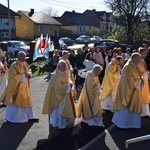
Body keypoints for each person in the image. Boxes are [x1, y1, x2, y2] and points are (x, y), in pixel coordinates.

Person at [5, 51, 39, 123]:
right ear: (18, 57)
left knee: (27, 100)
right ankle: (12, 118)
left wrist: (29, 74)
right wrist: (23, 76)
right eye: (22, 57)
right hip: (17, 88)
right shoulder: (14, 65)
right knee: (17, 103)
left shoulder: (25, 64)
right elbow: (12, 77)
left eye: (24, 57)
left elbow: (29, 70)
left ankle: (30, 116)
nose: (23, 58)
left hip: (25, 87)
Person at [112, 53, 143, 129]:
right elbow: (128, 80)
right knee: (125, 109)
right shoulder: (128, 67)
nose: (139, 61)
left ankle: (132, 124)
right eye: (138, 59)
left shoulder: (134, 66)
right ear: (134, 58)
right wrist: (138, 81)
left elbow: (136, 75)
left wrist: (140, 79)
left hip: (134, 91)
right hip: (127, 91)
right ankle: (123, 124)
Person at [42, 60, 76, 129]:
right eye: (63, 65)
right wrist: (68, 85)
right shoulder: (55, 75)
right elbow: (58, 87)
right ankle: (61, 125)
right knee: (60, 112)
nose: (65, 67)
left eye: (65, 65)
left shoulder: (63, 72)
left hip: (65, 96)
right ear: (59, 66)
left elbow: (67, 79)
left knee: (65, 110)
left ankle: (64, 124)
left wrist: (70, 83)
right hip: (58, 98)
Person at [138, 47, 150, 117]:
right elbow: (138, 72)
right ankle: (142, 112)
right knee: (141, 97)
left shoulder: (142, 60)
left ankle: (145, 112)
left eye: (146, 53)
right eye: (144, 53)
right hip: (141, 81)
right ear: (140, 53)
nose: (146, 54)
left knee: (145, 96)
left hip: (145, 81)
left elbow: (144, 70)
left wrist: (147, 72)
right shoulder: (138, 61)